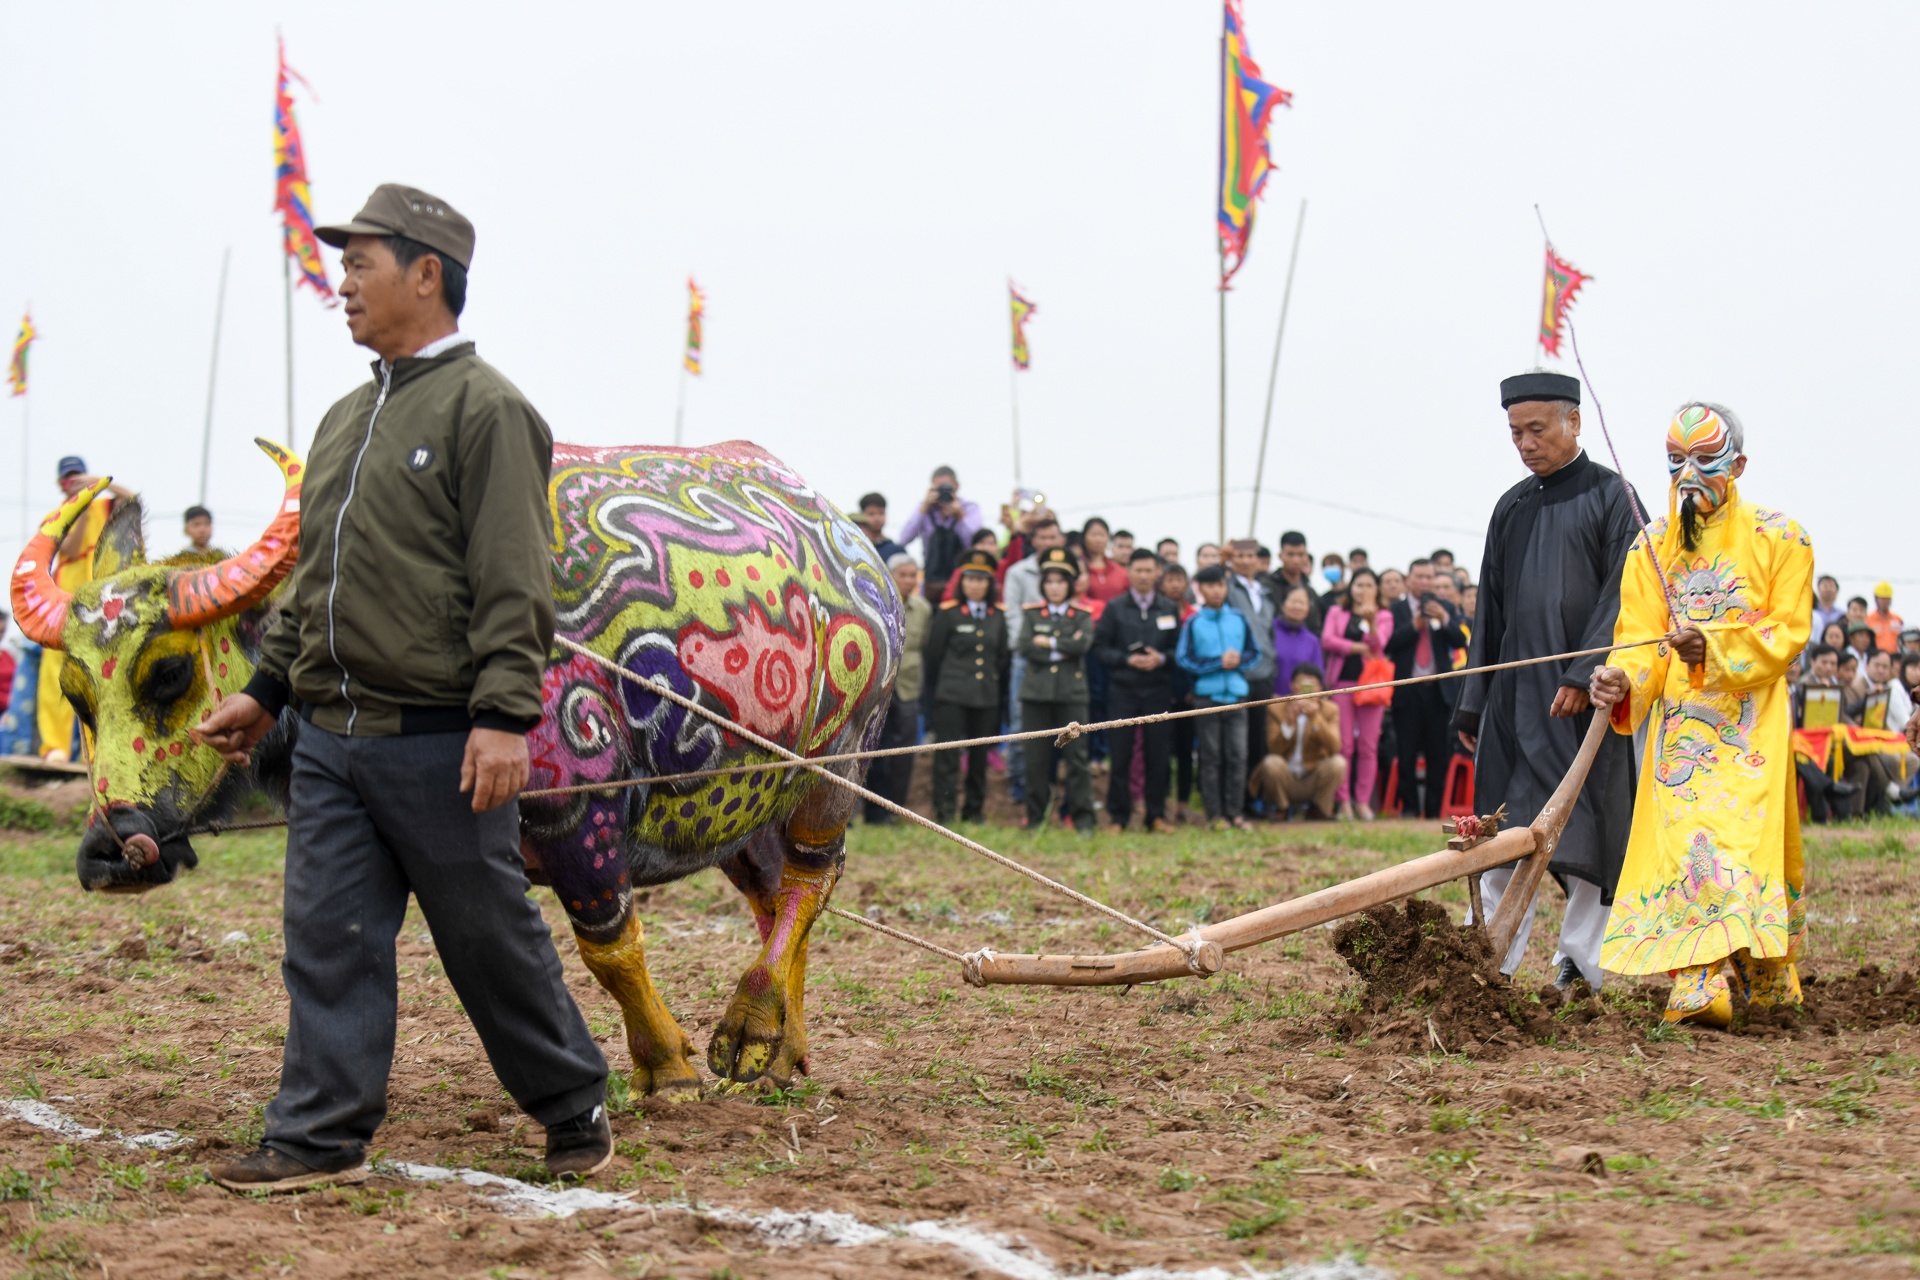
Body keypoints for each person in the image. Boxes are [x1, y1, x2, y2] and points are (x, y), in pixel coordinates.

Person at [194, 185, 610, 1190]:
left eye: (360, 264)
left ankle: (570, 1100)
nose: (342, 284)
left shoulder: (491, 410)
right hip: (333, 736)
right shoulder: (344, 418)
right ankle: (318, 1135)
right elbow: (314, 577)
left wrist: (505, 716)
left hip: (440, 738)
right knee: (327, 935)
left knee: (484, 935)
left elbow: (515, 578)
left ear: (426, 274)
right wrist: (266, 687)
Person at [1589, 401, 1812, 1026]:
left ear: (1737, 464)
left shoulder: (1782, 538)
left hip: (1752, 725)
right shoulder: (1650, 547)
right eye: (1675, 459)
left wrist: (1711, 646)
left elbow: (1788, 632)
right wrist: (1620, 676)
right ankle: (1698, 974)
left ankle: (1764, 964)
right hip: (1681, 731)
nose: (1687, 474)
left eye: (1705, 459)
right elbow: (1638, 638)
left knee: (1744, 843)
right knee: (1694, 846)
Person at [1456, 370, 1639, 992]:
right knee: (1503, 828)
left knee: (1591, 824)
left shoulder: (1616, 498)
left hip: (1585, 705)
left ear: (1574, 422)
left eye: (1536, 429)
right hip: (1514, 702)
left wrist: (1583, 673)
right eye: (1515, 432)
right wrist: (1474, 702)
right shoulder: (1510, 506)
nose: (1526, 443)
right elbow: (1491, 613)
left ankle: (1579, 966)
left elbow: (1624, 595)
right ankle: (1489, 957)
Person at [36, 457, 133, 761]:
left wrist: (101, 483)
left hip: (100, 601)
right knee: (55, 673)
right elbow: (71, 548)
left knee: (97, 674)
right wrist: (78, 504)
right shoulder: (54, 517)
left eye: (77, 476)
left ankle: (95, 752)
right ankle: (55, 747)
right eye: (68, 478)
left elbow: (130, 500)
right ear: (60, 484)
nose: (73, 482)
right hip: (64, 600)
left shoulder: (102, 508)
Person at [1092, 548, 1182, 832]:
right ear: (1129, 572)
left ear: (1158, 573)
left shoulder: (1168, 609)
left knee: (1158, 756)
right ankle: (1119, 817)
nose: (1143, 576)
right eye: (1138, 570)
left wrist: (1161, 659)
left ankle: (1155, 815)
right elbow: (1100, 648)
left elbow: (1178, 649)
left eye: (1149, 571)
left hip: (1157, 690)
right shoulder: (1116, 608)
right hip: (1123, 691)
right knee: (1121, 755)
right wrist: (1126, 659)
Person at [922, 550, 1009, 825]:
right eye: (970, 578)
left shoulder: (998, 615)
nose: (976, 585)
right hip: (952, 695)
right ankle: (944, 812)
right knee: (947, 756)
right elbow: (933, 657)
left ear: (989, 584)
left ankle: (974, 811)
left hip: (985, 696)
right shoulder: (948, 614)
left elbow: (1002, 659)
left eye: (982, 580)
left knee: (980, 758)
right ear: (962, 582)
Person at [1018, 549, 1096, 831]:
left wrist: (1047, 643)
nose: (1054, 587)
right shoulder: (1031, 614)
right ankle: (1035, 819)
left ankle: (1083, 819)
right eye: (1049, 581)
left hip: (1071, 694)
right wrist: (1063, 644)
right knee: (1035, 760)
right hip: (1036, 695)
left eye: (1060, 581)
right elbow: (1025, 646)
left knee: (1077, 760)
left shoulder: (1081, 615)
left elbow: (1082, 645)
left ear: (1070, 585)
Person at [1387, 560, 1470, 818]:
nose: (1424, 582)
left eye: (1429, 577)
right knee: (1406, 750)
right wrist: (1416, 623)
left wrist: (1444, 618)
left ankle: (1434, 810)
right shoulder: (1396, 609)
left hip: (1438, 690)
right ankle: (1409, 808)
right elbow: (1390, 644)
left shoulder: (1444, 607)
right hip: (1408, 689)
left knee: (1438, 752)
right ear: (1409, 579)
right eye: (1419, 576)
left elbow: (1460, 640)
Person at [1177, 564, 1256, 829]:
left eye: (1221, 585)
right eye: (1211, 585)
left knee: (1238, 755)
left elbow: (1255, 653)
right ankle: (1215, 815)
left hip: (1237, 695)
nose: (1217, 590)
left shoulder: (1239, 618)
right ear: (1200, 589)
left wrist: (1239, 661)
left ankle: (1235, 813)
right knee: (1211, 757)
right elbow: (1184, 658)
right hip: (1207, 697)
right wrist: (1216, 663)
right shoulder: (1194, 622)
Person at [1000, 517, 1066, 803]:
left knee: (1056, 725)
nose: (1049, 543)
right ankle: (1019, 788)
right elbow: (1012, 614)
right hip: (1026, 658)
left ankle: (1046, 788)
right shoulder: (1018, 572)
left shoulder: (1069, 572)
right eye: (1044, 538)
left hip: (1060, 658)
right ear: (1034, 540)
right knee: (1020, 723)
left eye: (1054, 537)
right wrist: (1028, 645)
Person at [1321, 567, 1392, 820]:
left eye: (1369, 585)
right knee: (1344, 745)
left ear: (1377, 590)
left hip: (1371, 687)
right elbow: (1328, 640)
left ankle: (1362, 801)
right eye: (1359, 585)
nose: (1363, 590)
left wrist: (1371, 624)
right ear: (1351, 588)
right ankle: (1343, 803)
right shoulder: (1336, 612)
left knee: (1368, 746)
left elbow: (1379, 645)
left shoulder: (1384, 616)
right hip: (1342, 685)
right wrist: (1356, 647)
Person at [865, 553, 930, 822]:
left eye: (912, 575)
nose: (907, 580)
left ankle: (895, 811)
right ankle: (870, 812)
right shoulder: (873, 603)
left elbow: (925, 646)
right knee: (873, 751)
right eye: (902, 575)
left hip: (908, 687)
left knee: (903, 753)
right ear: (889, 576)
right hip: (876, 688)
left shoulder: (923, 609)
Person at [1248, 663, 1347, 820]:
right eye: (1301, 682)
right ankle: (1282, 808)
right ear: (1291, 685)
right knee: (1271, 763)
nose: (1304, 688)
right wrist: (1288, 722)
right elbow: (1273, 749)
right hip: (1286, 777)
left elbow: (1335, 747)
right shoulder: (1277, 708)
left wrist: (1316, 719)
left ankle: (1319, 809)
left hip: (1313, 776)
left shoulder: (1330, 709)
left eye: (1311, 683)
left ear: (1320, 688)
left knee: (1338, 763)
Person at [1227, 540, 1279, 799]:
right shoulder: (1228, 587)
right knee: (1238, 743)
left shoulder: (1265, 592)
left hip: (1264, 674)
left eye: (1250, 555)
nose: (1246, 560)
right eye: (1240, 555)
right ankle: (1237, 800)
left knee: (1259, 739)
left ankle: (1255, 799)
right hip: (1239, 673)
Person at [898, 466, 983, 601]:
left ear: (957, 486)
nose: (943, 493)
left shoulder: (969, 508)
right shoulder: (926, 509)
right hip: (931, 583)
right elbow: (904, 538)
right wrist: (924, 507)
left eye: (947, 488)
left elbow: (974, 545)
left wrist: (960, 517)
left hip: (962, 583)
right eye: (938, 489)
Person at [1159, 563, 1199, 818]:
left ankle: (1183, 804)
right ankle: (1161, 804)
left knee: (1185, 751)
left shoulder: (1194, 615)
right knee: (1161, 752)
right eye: (1170, 579)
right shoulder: (1157, 611)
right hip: (1161, 690)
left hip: (1189, 692)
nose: (1174, 584)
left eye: (1179, 579)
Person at [1270, 581, 1324, 698]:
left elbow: (1317, 677)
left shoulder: (1312, 641)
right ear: (1282, 605)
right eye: (1294, 602)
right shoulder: (1269, 631)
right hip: (1270, 702)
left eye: (1302, 603)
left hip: (1302, 704)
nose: (1297, 607)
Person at [1271, 531, 1324, 634]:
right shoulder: (1267, 586)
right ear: (1280, 556)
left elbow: (1316, 628)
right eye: (1290, 554)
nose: (1296, 560)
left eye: (1300, 554)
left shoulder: (1311, 593)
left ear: (1306, 557)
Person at [1867, 581, 1905, 655]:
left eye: (1887, 599)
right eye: (1882, 599)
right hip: (1875, 657)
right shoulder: (1868, 619)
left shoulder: (1897, 619)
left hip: (1894, 658)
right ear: (1876, 599)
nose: (1884, 602)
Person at [1809, 574, 1843, 644]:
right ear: (1818, 589)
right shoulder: (1811, 612)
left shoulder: (1842, 614)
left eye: (1831, 586)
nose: (1828, 589)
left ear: (1836, 590)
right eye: (1825, 586)